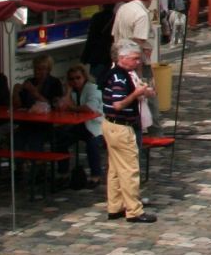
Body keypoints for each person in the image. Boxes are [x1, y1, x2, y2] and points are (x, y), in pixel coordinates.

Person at [102, 44, 156, 225]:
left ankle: (115, 206)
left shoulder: (117, 74)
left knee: (115, 169)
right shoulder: (119, 78)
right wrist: (136, 94)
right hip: (121, 127)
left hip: (111, 126)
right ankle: (134, 210)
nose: (138, 61)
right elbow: (118, 104)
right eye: (134, 58)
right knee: (129, 169)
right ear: (122, 58)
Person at [61, 63, 105, 188]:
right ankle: (63, 173)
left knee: (92, 144)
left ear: (84, 77)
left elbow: (90, 108)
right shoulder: (73, 91)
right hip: (79, 125)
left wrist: (72, 108)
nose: (75, 81)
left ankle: (95, 176)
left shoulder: (92, 88)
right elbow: (62, 106)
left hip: (96, 126)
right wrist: (68, 92)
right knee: (60, 141)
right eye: (72, 79)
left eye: (78, 78)